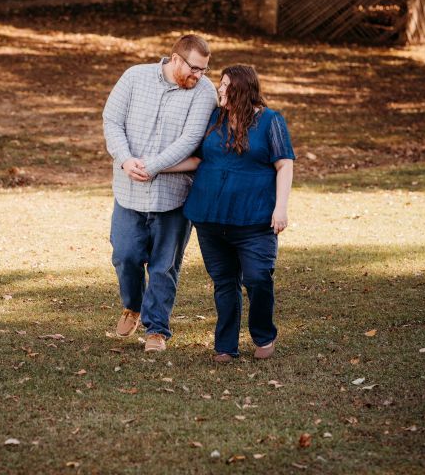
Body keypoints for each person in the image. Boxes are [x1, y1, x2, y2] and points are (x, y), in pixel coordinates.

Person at [164, 64, 294, 363]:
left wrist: (281, 208)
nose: (219, 89)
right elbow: (196, 159)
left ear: (243, 90)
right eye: (220, 84)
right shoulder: (214, 119)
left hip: (254, 220)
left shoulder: (270, 121)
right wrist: (157, 166)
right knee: (224, 282)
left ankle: (263, 334)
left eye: (225, 85)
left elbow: (284, 164)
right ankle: (225, 345)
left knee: (258, 278)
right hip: (210, 217)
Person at [103, 34, 217, 353]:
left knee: (164, 265)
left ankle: (157, 329)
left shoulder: (204, 92)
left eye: (204, 69)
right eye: (194, 68)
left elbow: (191, 138)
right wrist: (126, 159)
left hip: (174, 195)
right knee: (125, 255)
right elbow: (112, 121)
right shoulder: (134, 77)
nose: (199, 75)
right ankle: (133, 306)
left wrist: (152, 166)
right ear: (176, 59)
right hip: (128, 189)